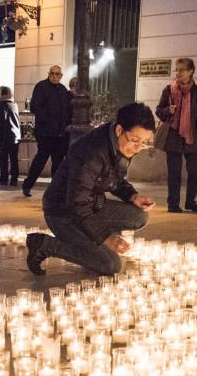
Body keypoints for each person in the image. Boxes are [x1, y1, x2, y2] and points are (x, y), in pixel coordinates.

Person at [25, 102, 156, 276]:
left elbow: (112, 178)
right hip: (62, 213)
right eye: (135, 141)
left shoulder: (117, 144)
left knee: (139, 216)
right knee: (110, 265)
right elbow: (77, 205)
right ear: (119, 130)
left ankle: (92, 246)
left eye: (144, 143)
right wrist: (106, 238)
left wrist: (132, 195)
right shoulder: (91, 152)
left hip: (91, 205)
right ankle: (45, 245)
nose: (138, 148)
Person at [155, 57, 197, 213]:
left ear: (190, 72)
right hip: (173, 137)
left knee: (193, 172)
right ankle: (173, 204)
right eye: (176, 70)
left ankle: (191, 202)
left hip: (192, 137)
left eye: (182, 70)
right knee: (174, 173)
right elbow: (159, 110)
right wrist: (167, 111)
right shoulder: (168, 90)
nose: (178, 73)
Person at [21, 66, 71, 197]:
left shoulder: (62, 89)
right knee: (41, 159)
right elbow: (35, 107)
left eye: (57, 74)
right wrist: (48, 120)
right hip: (45, 132)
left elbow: (66, 110)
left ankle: (55, 190)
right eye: (52, 74)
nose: (54, 76)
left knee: (58, 162)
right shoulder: (41, 87)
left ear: (61, 76)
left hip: (59, 133)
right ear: (49, 74)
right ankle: (27, 185)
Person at [0, 86, 21, 186]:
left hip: (5, 136)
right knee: (14, 159)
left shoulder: (1, 106)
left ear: (1, 94)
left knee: (3, 159)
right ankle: (14, 179)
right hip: (15, 136)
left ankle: (4, 179)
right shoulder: (15, 105)